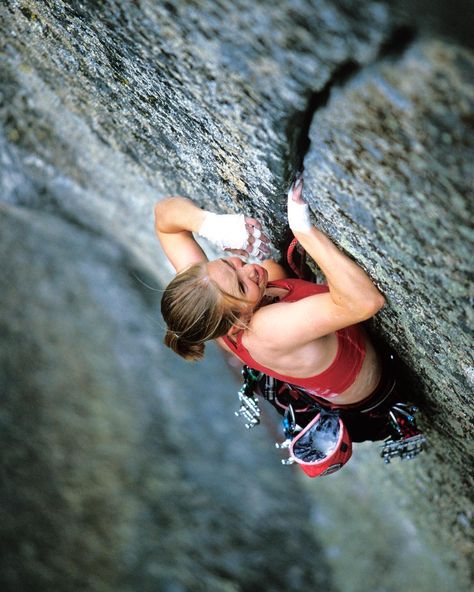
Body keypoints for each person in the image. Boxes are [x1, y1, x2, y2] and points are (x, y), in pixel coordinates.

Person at [155, 175, 406, 443]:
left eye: (229, 264)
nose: (247, 268)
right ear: (237, 323)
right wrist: (304, 231)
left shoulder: (210, 301)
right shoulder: (266, 329)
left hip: (299, 350)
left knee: (271, 271)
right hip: (378, 399)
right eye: (241, 286)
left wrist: (210, 224)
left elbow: (164, 219)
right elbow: (366, 302)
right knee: (272, 271)